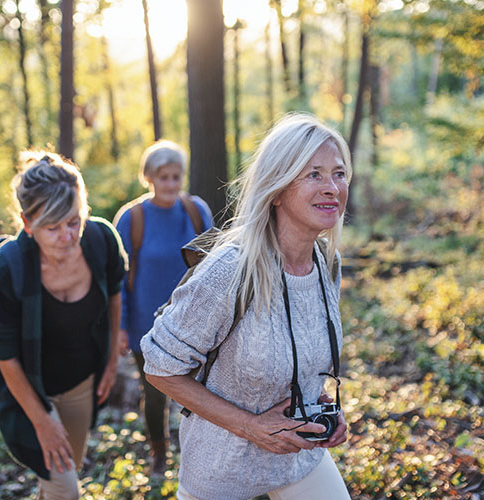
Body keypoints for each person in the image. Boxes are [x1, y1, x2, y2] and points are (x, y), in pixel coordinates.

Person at [140, 114, 353, 500]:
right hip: (223, 473)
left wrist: (321, 406)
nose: (332, 188)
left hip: (299, 458)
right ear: (276, 188)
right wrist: (251, 425)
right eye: (314, 175)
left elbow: (298, 351)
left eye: (339, 174)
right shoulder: (230, 270)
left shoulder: (326, 262)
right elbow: (159, 366)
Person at [0, 152, 127, 500]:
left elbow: (116, 293)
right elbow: (5, 356)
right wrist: (43, 421)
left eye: (74, 221)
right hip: (28, 389)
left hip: (81, 381)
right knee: (66, 489)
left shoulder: (101, 239)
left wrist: (110, 363)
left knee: (61, 475)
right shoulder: (7, 268)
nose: (67, 236)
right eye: (52, 227)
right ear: (28, 225)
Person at [113, 140, 213, 474]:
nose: (171, 184)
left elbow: (216, 267)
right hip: (147, 325)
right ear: (150, 178)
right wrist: (121, 327)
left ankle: (197, 458)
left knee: (200, 395)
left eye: (176, 176)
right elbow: (119, 279)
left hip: (195, 322)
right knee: (155, 394)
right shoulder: (132, 218)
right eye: (164, 177)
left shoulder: (196, 211)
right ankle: (159, 454)